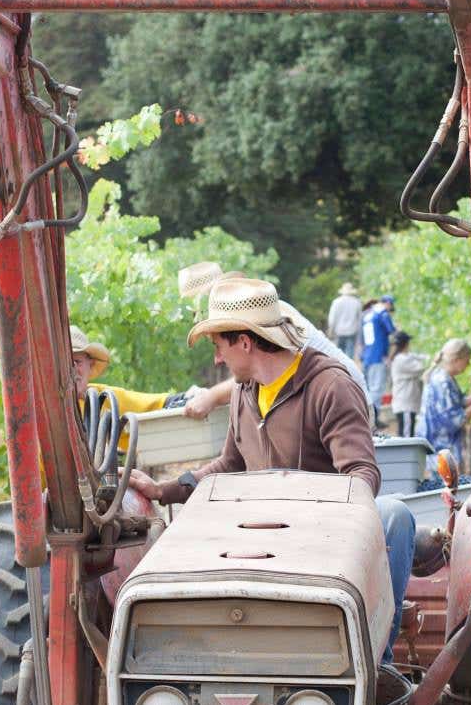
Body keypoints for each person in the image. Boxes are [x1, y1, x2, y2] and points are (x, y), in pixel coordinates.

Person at [128, 276, 416, 665]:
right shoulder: (245, 394)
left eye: (219, 347)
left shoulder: (329, 386)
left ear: (245, 342)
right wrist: (164, 490)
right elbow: (229, 465)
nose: (217, 360)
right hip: (259, 535)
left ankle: (377, 663)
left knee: (395, 516)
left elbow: (362, 473)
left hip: (322, 538)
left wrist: (315, 511)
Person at [175, 262, 367, 415]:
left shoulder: (265, 315)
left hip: (347, 400)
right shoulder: (255, 313)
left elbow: (269, 366)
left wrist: (213, 397)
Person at [421, 339, 471, 472]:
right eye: (467, 359)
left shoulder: (441, 375)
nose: (469, 364)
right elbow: (452, 421)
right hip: (442, 452)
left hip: (440, 451)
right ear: (457, 359)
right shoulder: (442, 382)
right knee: (446, 490)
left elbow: (457, 402)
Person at [359, 295, 397, 430]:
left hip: (367, 356)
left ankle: (367, 418)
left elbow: (361, 339)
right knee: (377, 390)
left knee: (368, 388)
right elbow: (393, 333)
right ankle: (372, 419)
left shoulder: (366, 315)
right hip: (378, 356)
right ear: (387, 303)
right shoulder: (382, 314)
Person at [389, 332, 426, 437]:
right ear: (406, 344)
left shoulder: (402, 358)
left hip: (406, 403)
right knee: (407, 436)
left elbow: (416, 357)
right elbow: (421, 367)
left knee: (407, 433)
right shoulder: (401, 360)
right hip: (405, 404)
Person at [326, 282, 363, 361]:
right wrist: (359, 335)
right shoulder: (357, 302)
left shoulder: (336, 302)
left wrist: (331, 331)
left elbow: (332, 319)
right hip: (352, 332)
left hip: (339, 332)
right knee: (349, 356)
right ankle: (348, 371)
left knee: (338, 356)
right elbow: (360, 320)